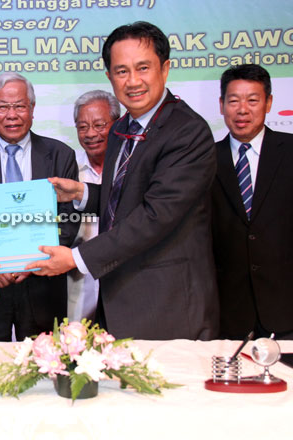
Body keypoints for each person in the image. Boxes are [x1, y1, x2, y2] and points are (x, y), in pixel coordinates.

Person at [26, 21, 220, 340]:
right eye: (121, 71)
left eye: (143, 68)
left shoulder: (187, 132)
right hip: (118, 299)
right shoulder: (121, 130)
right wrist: (82, 193)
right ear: (109, 76)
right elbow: (127, 199)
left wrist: (75, 258)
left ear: (165, 68)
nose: (133, 82)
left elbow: (155, 216)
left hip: (167, 305)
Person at [212, 64, 293, 340]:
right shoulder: (206, 158)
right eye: (233, 100)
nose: (242, 110)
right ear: (222, 105)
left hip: (288, 302)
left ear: (268, 102)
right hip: (226, 306)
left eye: (253, 100)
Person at [0, 72, 79, 341]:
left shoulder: (60, 155)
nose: (11, 115)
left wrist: (35, 263)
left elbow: (68, 223)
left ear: (32, 108)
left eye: (19, 106)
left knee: (47, 371)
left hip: (43, 285)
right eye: (3, 107)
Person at [67, 90, 120, 321]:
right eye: (82, 127)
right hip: (79, 294)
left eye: (99, 125)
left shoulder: (131, 173)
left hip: (125, 290)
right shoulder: (69, 178)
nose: (90, 134)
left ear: (118, 124)